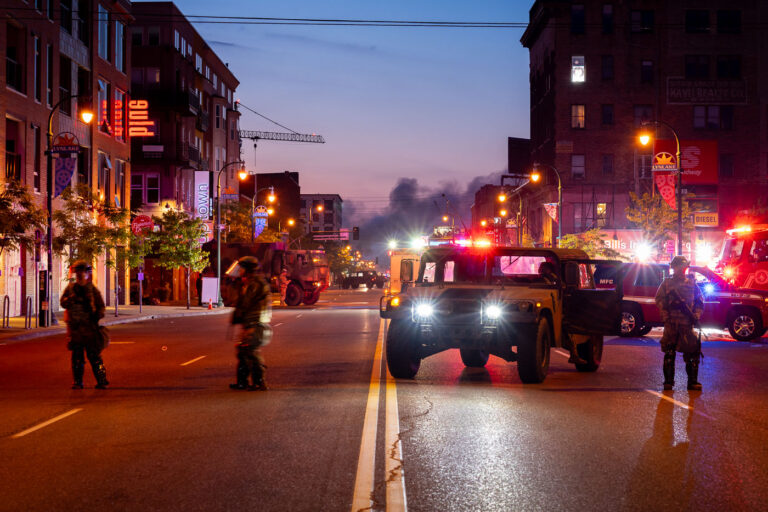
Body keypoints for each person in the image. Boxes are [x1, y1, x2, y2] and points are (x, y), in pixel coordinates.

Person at [655, 256, 704, 391]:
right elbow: (659, 300)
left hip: (686, 323)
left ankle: (692, 382)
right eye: (678, 267)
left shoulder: (692, 284)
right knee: (670, 352)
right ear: (674, 268)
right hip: (671, 323)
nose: (681, 270)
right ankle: (668, 382)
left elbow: (699, 301)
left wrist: (696, 315)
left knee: (692, 353)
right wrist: (665, 316)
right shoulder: (666, 283)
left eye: (683, 267)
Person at [60, 260, 108, 389]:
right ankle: (77, 381)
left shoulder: (92, 290)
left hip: (89, 329)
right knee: (77, 357)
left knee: (94, 357)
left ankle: (102, 380)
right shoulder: (70, 289)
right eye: (78, 272)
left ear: (88, 274)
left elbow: (101, 307)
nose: (80, 274)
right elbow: (63, 303)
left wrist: (96, 316)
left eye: (83, 272)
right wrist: (71, 299)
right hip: (76, 329)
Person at [228, 256, 272, 391]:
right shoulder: (250, 283)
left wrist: (235, 287)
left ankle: (260, 382)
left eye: (241, 268)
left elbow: (245, 303)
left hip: (256, 322)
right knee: (243, 350)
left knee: (251, 351)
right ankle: (242, 382)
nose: (239, 271)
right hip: (251, 322)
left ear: (247, 270)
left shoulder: (255, 284)